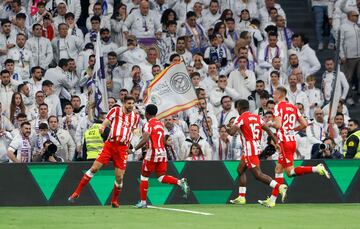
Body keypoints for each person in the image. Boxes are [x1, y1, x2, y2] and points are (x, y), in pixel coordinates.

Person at [258, 86, 330, 208]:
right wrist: (292, 130)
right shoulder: (293, 107)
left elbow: (278, 124)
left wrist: (269, 123)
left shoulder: (278, 107)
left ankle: (317, 168)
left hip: (284, 142)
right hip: (291, 140)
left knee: (290, 172)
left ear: (280, 95)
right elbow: (304, 124)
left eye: (274, 94)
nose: (273, 96)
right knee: (278, 170)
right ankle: (272, 200)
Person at [68, 96, 140, 208]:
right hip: (110, 145)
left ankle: (114, 201)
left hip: (122, 148)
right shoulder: (115, 110)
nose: (131, 105)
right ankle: (76, 193)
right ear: (124, 103)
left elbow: (132, 131)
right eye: (129, 103)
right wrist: (102, 127)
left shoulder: (135, 117)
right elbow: (106, 121)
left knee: (119, 177)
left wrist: (131, 145)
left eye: (132, 103)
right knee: (94, 168)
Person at [226, 99, 286, 205]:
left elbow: (232, 132)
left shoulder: (241, 118)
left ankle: (279, 187)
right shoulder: (256, 117)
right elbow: (267, 129)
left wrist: (227, 129)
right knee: (240, 170)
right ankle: (241, 197)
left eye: (237, 108)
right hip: (256, 147)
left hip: (250, 150)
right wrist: (276, 142)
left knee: (258, 175)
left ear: (239, 108)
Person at [128, 104, 189, 208]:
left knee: (144, 177)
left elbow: (145, 138)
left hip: (152, 154)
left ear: (146, 113)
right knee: (161, 177)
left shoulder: (148, 124)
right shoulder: (160, 124)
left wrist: (133, 150)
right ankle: (180, 182)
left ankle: (143, 203)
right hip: (162, 153)